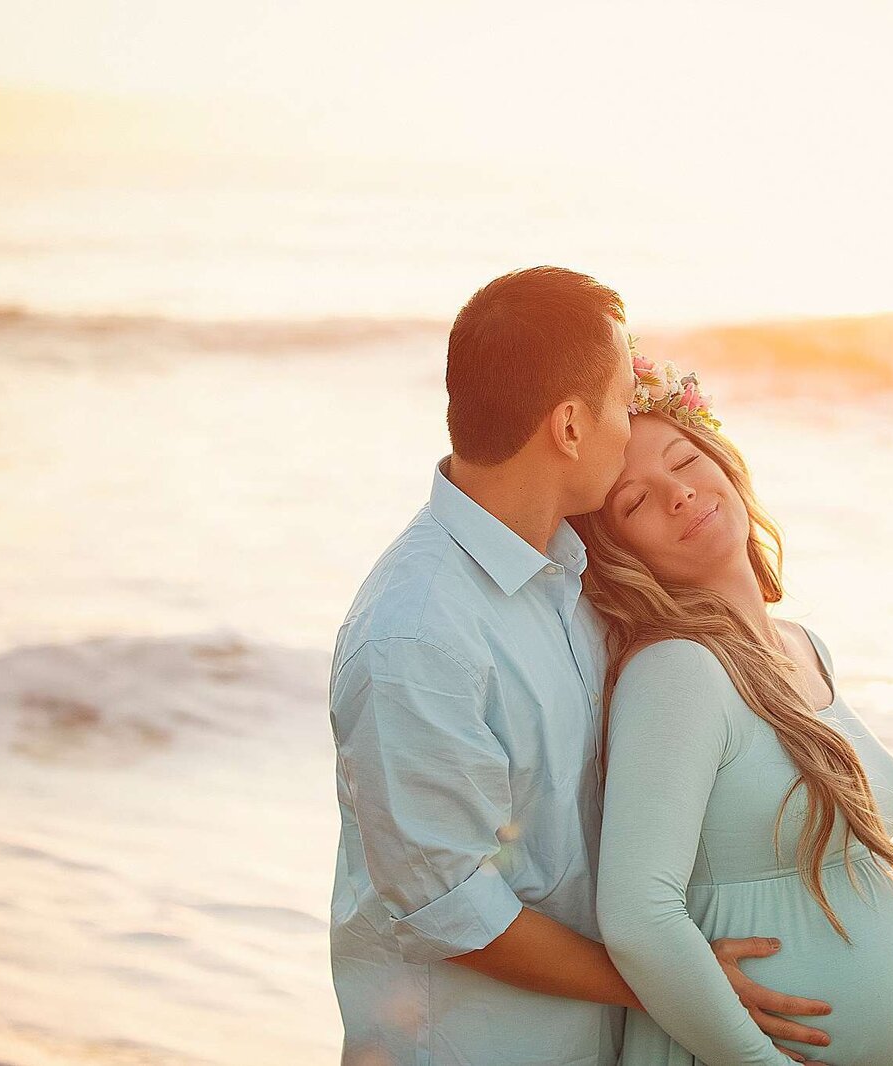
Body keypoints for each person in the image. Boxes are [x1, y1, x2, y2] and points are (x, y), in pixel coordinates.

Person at [327, 266, 835, 1066]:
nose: (630, 420)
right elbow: (452, 909)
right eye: (618, 398)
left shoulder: (581, 575)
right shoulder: (416, 638)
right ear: (569, 427)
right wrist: (673, 983)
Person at [570, 355, 893, 1065]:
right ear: (619, 555)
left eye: (682, 462)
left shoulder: (807, 648)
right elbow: (639, 916)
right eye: (636, 502)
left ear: (722, 461)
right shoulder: (679, 671)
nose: (677, 494)